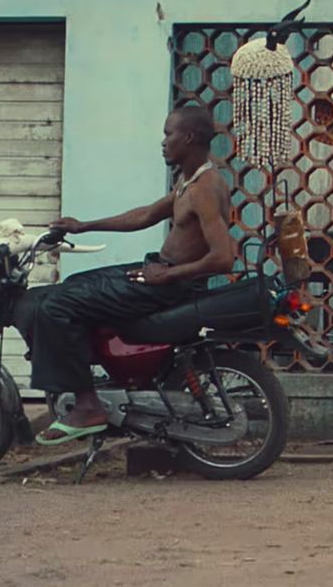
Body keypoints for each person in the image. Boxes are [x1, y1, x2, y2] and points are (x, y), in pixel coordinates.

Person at [28, 105, 236, 444]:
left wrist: (167, 276)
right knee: (71, 287)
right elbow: (146, 215)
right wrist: (85, 226)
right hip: (159, 272)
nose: (163, 142)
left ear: (188, 137)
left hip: (167, 285)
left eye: (168, 134)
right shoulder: (189, 180)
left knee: (57, 306)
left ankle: (87, 405)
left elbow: (224, 257)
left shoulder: (204, 189)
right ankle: (100, 379)